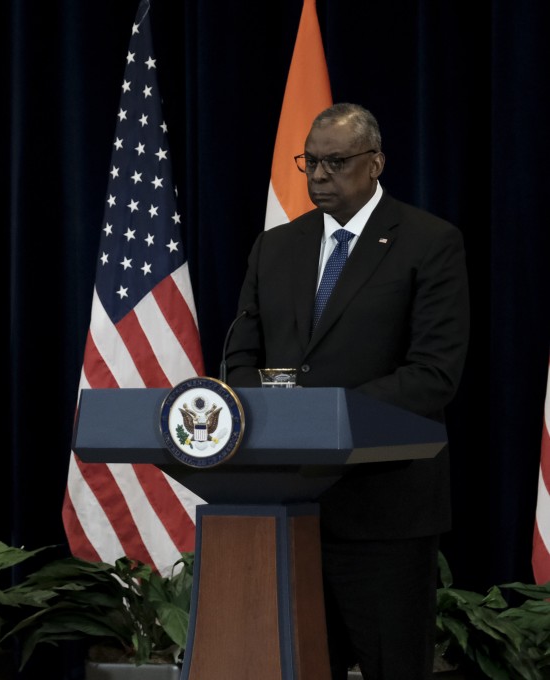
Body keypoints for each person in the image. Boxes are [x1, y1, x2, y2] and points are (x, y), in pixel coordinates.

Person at [226, 103, 469, 680]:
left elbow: (433, 374)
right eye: (309, 162)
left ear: (375, 163)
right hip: (287, 510)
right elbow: (241, 357)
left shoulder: (429, 242)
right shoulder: (275, 247)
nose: (318, 176)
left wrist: (326, 416)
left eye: (335, 162)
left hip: (384, 512)